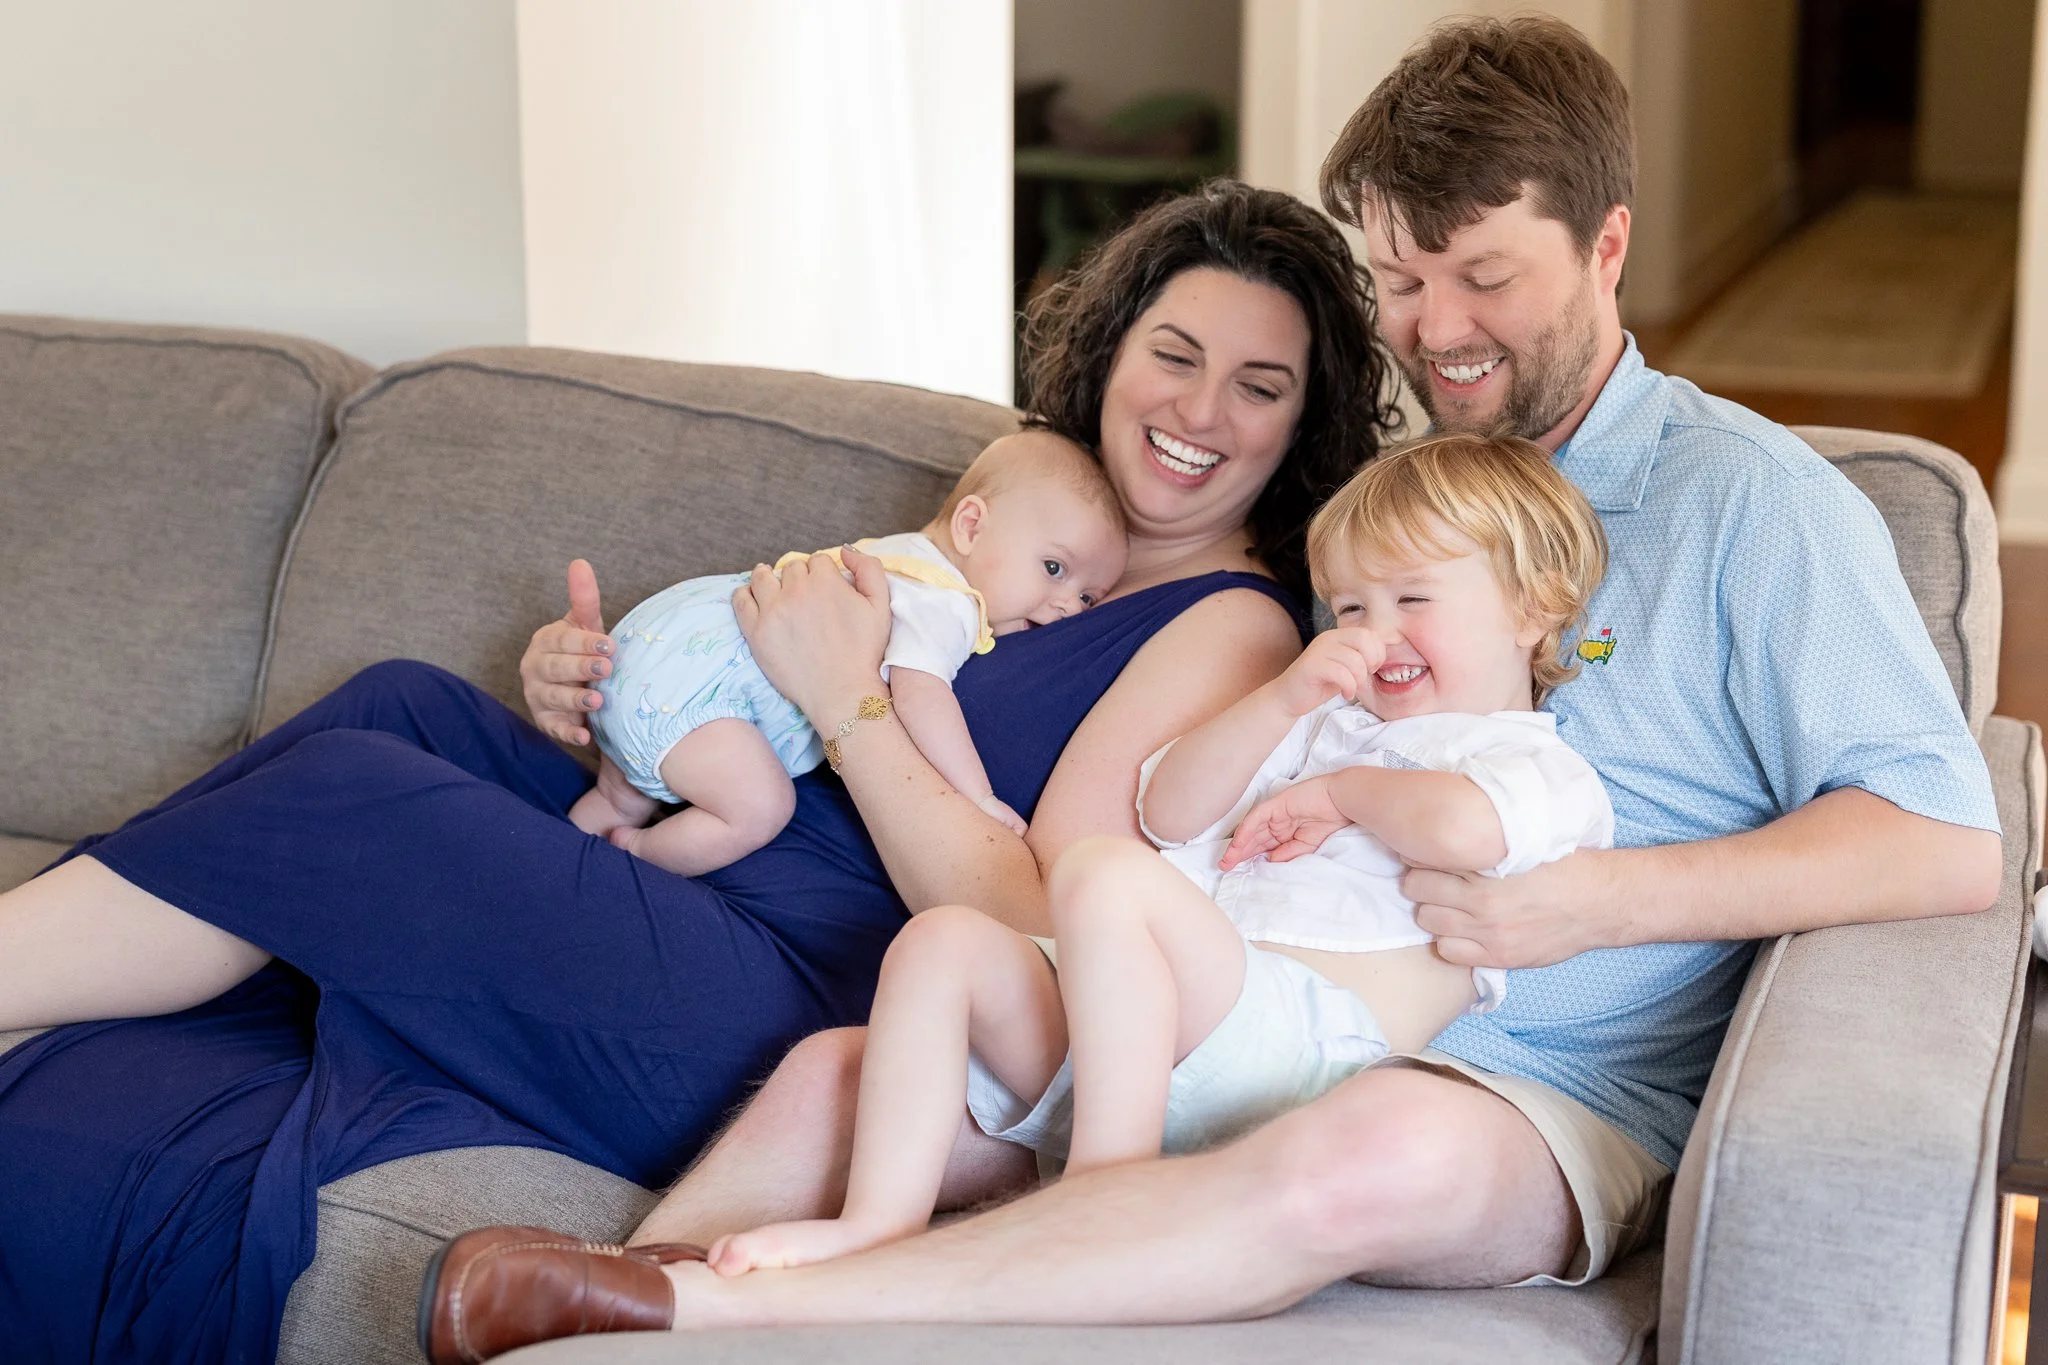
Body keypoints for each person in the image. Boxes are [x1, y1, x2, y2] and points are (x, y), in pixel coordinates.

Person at [418, 14, 2002, 1354]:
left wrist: (1593, 901)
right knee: (855, 1070)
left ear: (1606, 246)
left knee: (1368, 1147)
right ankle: (599, 1320)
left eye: (1484, 277)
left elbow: (1946, 841)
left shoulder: (1756, 505)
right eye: (1400, 279)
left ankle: (728, 1308)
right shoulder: (1389, 513)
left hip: (1528, 1083)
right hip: (1259, 1003)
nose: (1437, 332)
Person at [0, 178, 1399, 1364]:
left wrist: (844, 700)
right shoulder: (1023, 520)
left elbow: (1036, 914)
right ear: (1111, 353)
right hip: (703, 880)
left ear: (1303, 423)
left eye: (1258, 386)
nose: (1200, 409)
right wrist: (599, 705)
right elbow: (752, 702)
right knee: (407, 706)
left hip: (799, 989)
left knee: (350, 798)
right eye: (1174, 354)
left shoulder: (1229, 622)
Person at [688, 432, 1614, 1281]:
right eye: (1350, 607)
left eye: (1412, 598)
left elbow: (1468, 832)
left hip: (1313, 1053)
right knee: (944, 941)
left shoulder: (1530, 759)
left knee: (1099, 872)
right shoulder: (1328, 724)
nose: (1373, 634)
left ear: (1533, 609)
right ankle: (877, 1218)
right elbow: (1169, 808)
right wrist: (1283, 702)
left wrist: (1342, 796)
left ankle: (1101, 1195)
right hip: (1166, 1033)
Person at [572, 431, 1127, 872]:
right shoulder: (947, 599)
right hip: (701, 693)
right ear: (971, 525)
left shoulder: (898, 555)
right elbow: (920, 694)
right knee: (761, 809)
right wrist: (978, 799)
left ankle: (582, 838)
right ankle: (636, 854)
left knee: (618, 796)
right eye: (1054, 567)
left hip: (651, 649)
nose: (1068, 606)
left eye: (1088, 597)